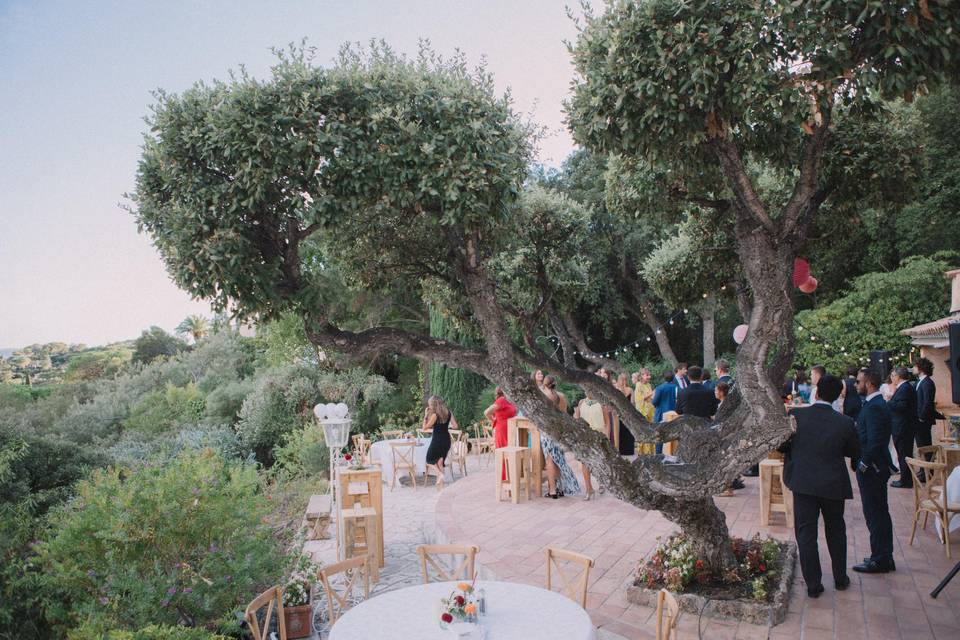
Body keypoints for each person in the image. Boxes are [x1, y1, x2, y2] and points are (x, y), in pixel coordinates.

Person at [779, 375, 859, 597]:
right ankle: (840, 579)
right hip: (832, 483)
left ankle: (813, 584)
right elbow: (854, 450)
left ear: (817, 391)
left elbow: (783, 445)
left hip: (803, 482)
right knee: (836, 531)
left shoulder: (797, 415)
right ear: (837, 395)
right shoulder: (844, 422)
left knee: (806, 534)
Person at [852, 368, 896, 574]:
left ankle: (880, 559)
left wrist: (864, 464)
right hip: (874, 467)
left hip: (874, 469)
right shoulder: (874, 404)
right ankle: (882, 554)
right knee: (877, 513)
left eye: (859, 381)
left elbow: (876, 440)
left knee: (875, 513)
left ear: (869, 383)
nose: (855, 385)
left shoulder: (875, 407)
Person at [539, 376, 581, 499]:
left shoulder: (544, 396)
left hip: (547, 430)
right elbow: (563, 413)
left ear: (545, 385)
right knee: (558, 458)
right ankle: (560, 487)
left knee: (550, 460)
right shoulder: (561, 396)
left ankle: (552, 490)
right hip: (558, 430)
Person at [888, 367, 918, 489]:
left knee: (904, 454)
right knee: (903, 453)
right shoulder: (904, 388)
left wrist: (890, 402)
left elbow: (902, 406)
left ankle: (905, 480)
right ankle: (905, 479)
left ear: (898, 377)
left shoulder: (905, 388)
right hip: (902, 426)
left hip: (903, 427)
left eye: (893, 375)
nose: (892, 378)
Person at [575, 391, 605, 500]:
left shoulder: (602, 403)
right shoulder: (581, 402)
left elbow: (607, 423)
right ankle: (589, 488)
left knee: (599, 461)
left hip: (598, 436)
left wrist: (606, 438)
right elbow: (577, 421)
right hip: (584, 437)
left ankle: (601, 482)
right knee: (585, 462)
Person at [424, 395, 458, 486]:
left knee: (429, 460)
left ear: (433, 405)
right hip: (446, 440)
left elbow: (425, 428)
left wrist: (425, 415)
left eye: (430, 405)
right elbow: (455, 426)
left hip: (437, 440)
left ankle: (440, 474)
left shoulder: (435, 415)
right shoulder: (448, 413)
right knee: (440, 462)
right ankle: (441, 488)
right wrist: (448, 426)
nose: (429, 407)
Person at [484, 387, 517, 480]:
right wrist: (493, 420)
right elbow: (486, 412)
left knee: (508, 453)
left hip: (509, 429)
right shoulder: (501, 400)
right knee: (504, 453)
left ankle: (510, 477)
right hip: (502, 430)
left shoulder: (507, 400)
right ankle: (505, 478)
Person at [914, 357, 939, 455]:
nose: (913, 369)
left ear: (921, 368)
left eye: (915, 366)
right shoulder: (919, 381)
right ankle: (923, 468)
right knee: (921, 445)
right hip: (919, 419)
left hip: (923, 420)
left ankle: (928, 468)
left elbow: (927, 402)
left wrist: (921, 417)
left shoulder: (927, 383)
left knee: (925, 445)